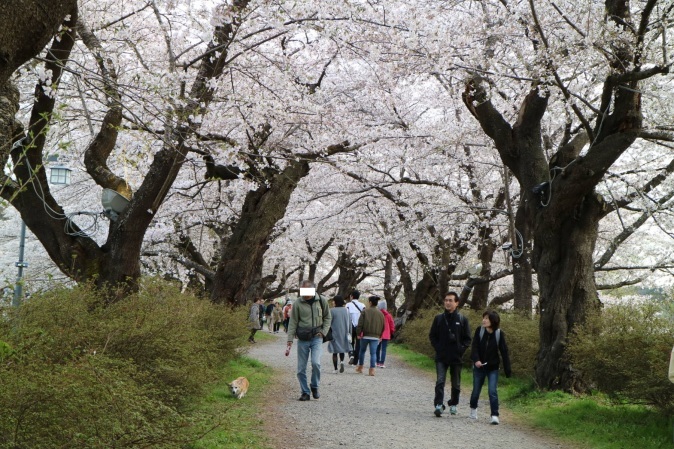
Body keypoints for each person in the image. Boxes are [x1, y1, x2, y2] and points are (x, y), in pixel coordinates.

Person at [286, 280, 332, 401]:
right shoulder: (297, 303)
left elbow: (328, 317)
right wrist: (290, 339)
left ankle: (315, 386)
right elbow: (293, 322)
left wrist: (324, 332)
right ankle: (305, 392)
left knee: (316, 363)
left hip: (317, 337)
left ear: (313, 289)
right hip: (302, 338)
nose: (304, 294)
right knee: (301, 368)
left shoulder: (321, 301)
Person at [429, 291, 471, 417]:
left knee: (456, 383)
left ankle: (453, 404)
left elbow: (468, 338)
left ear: (456, 303)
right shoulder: (439, 318)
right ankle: (438, 404)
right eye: (446, 300)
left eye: (450, 300)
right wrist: (438, 348)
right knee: (440, 381)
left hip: (456, 357)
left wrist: (461, 349)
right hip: (441, 356)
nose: (447, 303)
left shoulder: (462, 319)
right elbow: (432, 336)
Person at [469, 310, 511, 425]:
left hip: (493, 367)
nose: (484, 320)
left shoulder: (498, 334)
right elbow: (474, 347)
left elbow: (504, 351)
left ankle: (494, 415)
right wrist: (476, 360)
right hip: (479, 367)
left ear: (493, 321)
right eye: (483, 318)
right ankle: (473, 409)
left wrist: (508, 369)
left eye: (486, 318)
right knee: (476, 390)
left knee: (492, 391)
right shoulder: (479, 331)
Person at [355, 295, 385, 376]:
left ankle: (360, 367)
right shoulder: (381, 314)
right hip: (375, 337)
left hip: (365, 336)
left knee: (362, 351)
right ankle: (372, 370)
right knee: (373, 353)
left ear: (370, 302)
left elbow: (360, 323)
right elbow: (383, 326)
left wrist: (358, 333)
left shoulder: (365, 311)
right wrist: (380, 335)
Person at [327, 295, 351, 374]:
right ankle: (342, 362)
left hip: (335, 333)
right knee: (342, 350)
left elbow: (328, 323)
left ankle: (335, 369)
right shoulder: (346, 310)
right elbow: (349, 322)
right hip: (344, 333)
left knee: (335, 352)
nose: (333, 302)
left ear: (336, 302)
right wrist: (349, 332)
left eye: (334, 301)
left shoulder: (332, 311)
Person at [345, 289, 364, 364]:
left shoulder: (348, 305)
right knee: (359, 343)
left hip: (350, 326)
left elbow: (346, 316)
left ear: (351, 296)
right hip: (360, 326)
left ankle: (351, 355)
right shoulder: (363, 305)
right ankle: (356, 360)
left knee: (350, 341)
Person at [376, 299, 395, 368]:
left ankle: (377, 362)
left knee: (377, 348)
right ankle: (382, 363)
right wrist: (392, 332)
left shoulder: (377, 314)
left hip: (378, 334)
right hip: (386, 335)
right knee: (383, 349)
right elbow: (392, 325)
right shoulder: (389, 315)